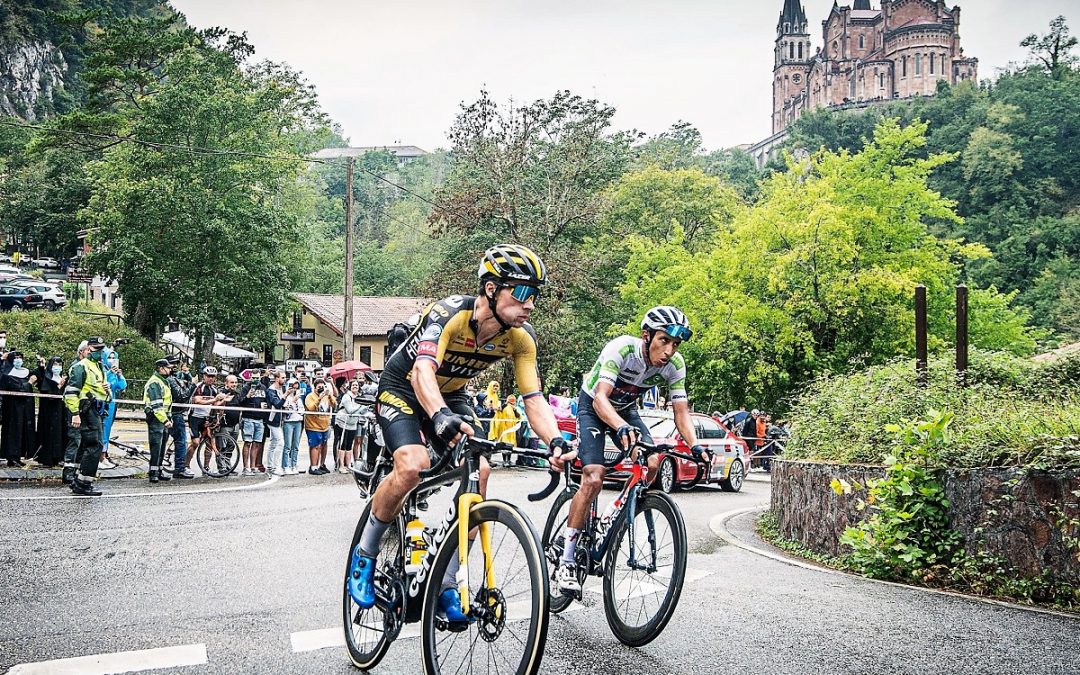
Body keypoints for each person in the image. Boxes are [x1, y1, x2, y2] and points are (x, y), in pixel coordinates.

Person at [348, 244, 572, 626]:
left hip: (451, 394)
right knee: (411, 466)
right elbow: (421, 372)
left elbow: (533, 398)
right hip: (403, 386)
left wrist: (555, 440)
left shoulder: (520, 338)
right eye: (521, 293)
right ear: (490, 289)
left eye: (535, 295)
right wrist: (437, 416)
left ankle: (446, 583)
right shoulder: (449, 314)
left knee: (481, 471)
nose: (530, 304)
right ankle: (365, 554)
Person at [556, 306, 708, 596]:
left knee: (651, 462)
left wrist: (696, 445)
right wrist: (620, 427)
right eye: (664, 340)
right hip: (594, 407)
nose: (669, 350)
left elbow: (681, 413)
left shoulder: (675, 365)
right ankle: (566, 558)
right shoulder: (621, 349)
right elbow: (601, 399)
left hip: (627, 409)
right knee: (593, 478)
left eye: (675, 344)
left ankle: (617, 513)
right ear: (646, 335)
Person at [63, 337, 112, 496]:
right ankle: (84, 483)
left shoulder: (99, 366)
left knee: (87, 445)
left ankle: (78, 481)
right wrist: (75, 414)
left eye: (101, 349)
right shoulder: (80, 367)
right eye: (97, 349)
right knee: (94, 445)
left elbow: (103, 391)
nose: (100, 352)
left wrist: (107, 390)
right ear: (89, 349)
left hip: (97, 409)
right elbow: (70, 393)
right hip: (87, 409)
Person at [61, 341, 91, 484]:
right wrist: (74, 412)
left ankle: (77, 471)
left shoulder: (89, 366)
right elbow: (71, 392)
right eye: (88, 351)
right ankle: (68, 471)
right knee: (75, 439)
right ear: (81, 352)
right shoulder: (77, 367)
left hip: (86, 408)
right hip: (76, 408)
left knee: (83, 441)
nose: (90, 354)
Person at [1, 351, 36, 466]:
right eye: (15, 358)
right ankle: (12, 457)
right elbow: (18, 389)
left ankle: (18, 456)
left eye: (20, 357)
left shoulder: (25, 372)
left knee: (22, 431)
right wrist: (29, 383)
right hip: (12, 408)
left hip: (24, 407)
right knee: (13, 431)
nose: (18, 360)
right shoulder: (7, 374)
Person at [143, 359, 175, 483]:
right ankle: (153, 472)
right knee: (156, 446)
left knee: (162, 446)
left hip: (163, 417)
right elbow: (156, 405)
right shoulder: (155, 382)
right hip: (156, 418)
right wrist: (165, 420)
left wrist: (168, 417)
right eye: (167, 368)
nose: (170, 369)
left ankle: (159, 470)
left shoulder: (163, 381)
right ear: (161, 368)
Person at [32, 356, 67, 467]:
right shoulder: (47, 378)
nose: (58, 367)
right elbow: (48, 396)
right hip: (49, 412)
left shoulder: (62, 378)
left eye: (60, 365)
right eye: (55, 364)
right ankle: (48, 459)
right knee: (49, 434)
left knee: (60, 433)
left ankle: (58, 457)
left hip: (60, 411)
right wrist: (58, 386)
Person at [165, 356, 195, 479]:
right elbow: (181, 396)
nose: (175, 367)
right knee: (181, 441)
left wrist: (187, 378)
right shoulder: (170, 380)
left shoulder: (173, 378)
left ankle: (160, 467)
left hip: (173, 413)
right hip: (175, 414)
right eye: (173, 364)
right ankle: (180, 468)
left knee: (167, 440)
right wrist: (193, 385)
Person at [187, 367, 222, 468]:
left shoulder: (214, 389)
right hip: (194, 417)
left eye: (213, 377)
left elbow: (216, 404)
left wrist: (224, 400)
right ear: (204, 376)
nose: (211, 378)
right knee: (195, 443)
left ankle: (206, 467)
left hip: (206, 418)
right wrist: (214, 399)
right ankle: (186, 465)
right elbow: (198, 401)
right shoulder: (198, 387)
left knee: (209, 444)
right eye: (208, 376)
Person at [99, 348, 127, 467]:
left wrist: (120, 375)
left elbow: (121, 386)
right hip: (102, 404)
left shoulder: (114, 372)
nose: (112, 360)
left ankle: (104, 456)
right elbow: (102, 383)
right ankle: (99, 458)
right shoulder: (101, 370)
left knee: (107, 430)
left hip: (111, 404)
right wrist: (110, 372)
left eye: (113, 357)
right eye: (109, 357)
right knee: (101, 430)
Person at [240, 368, 269, 476]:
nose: (255, 380)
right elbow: (240, 402)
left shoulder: (263, 388)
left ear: (260, 377)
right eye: (253, 378)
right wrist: (247, 396)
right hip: (248, 418)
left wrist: (265, 406)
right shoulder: (246, 387)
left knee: (257, 443)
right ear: (250, 377)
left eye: (257, 378)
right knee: (247, 442)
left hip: (260, 419)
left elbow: (266, 401)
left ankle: (253, 466)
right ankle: (245, 467)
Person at [304, 379, 335, 474]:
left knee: (324, 445)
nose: (321, 389)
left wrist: (330, 396)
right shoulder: (310, 396)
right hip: (313, 425)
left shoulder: (326, 396)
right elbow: (311, 408)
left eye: (323, 387)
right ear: (315, 388)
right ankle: (313, 467)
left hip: (324, 425)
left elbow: (334, 405)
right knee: (315, 446)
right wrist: (319, 398)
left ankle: (321, 464)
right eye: (319, 387)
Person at [334, 379, 363, 473]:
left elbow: (363, 411)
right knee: (343, 444)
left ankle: (348, 465)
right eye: (353, 385)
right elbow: (350, 410)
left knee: (350, 445)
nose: (355, 386)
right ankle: (341, 465)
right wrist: (361, 406)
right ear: (349, 386)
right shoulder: (347, 396)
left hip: (353, 423)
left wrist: (363, 407)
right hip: (343, 422)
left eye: (357, 385)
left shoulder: (359, 397)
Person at [264, 369, 286, 476]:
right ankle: (276, 466)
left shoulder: (281, 389)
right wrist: (286, 395)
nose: (284, 379)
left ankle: (270, 465)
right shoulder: (271, 390)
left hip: (279, 419)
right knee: (280, 442)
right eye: (282, 377)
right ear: (277, 378)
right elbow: (277, 404)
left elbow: (282, 404)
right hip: (273, 419)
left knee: (273, 443)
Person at [281, 378, 304, 475]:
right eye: (293, 387)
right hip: (288, 422)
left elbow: (302, 409)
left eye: (296, 388)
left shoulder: (299, 398)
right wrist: (293, 401)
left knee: (296, 445)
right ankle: (285, 466)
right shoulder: (286, 397)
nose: (294, 390)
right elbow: (285, 409)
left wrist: (300, 412)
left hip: (298, 421)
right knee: (287, 446)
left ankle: (293, 465)